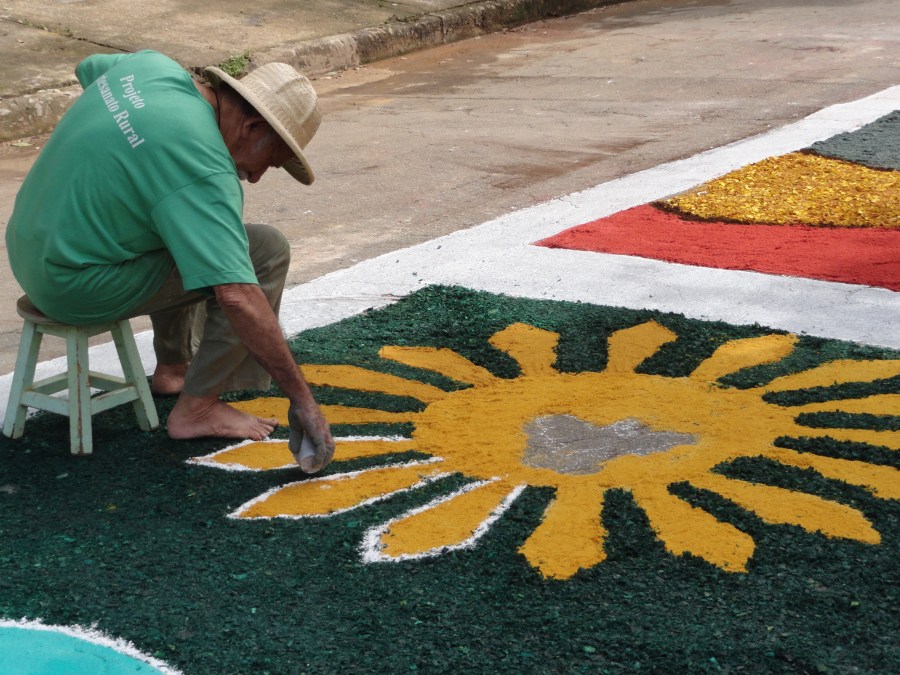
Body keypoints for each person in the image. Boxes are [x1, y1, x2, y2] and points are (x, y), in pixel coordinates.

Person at [5, 50, 335, 472]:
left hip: (30, 250)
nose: (255, 176)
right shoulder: (202, 168)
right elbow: (238, 295)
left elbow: (90, 69)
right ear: (252, 126)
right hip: (73, 285)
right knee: (263, 251)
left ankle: (173, 369)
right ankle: (196, 410)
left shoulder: (150, 69)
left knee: (182, 227)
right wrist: (302, 399)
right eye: (269, 161)